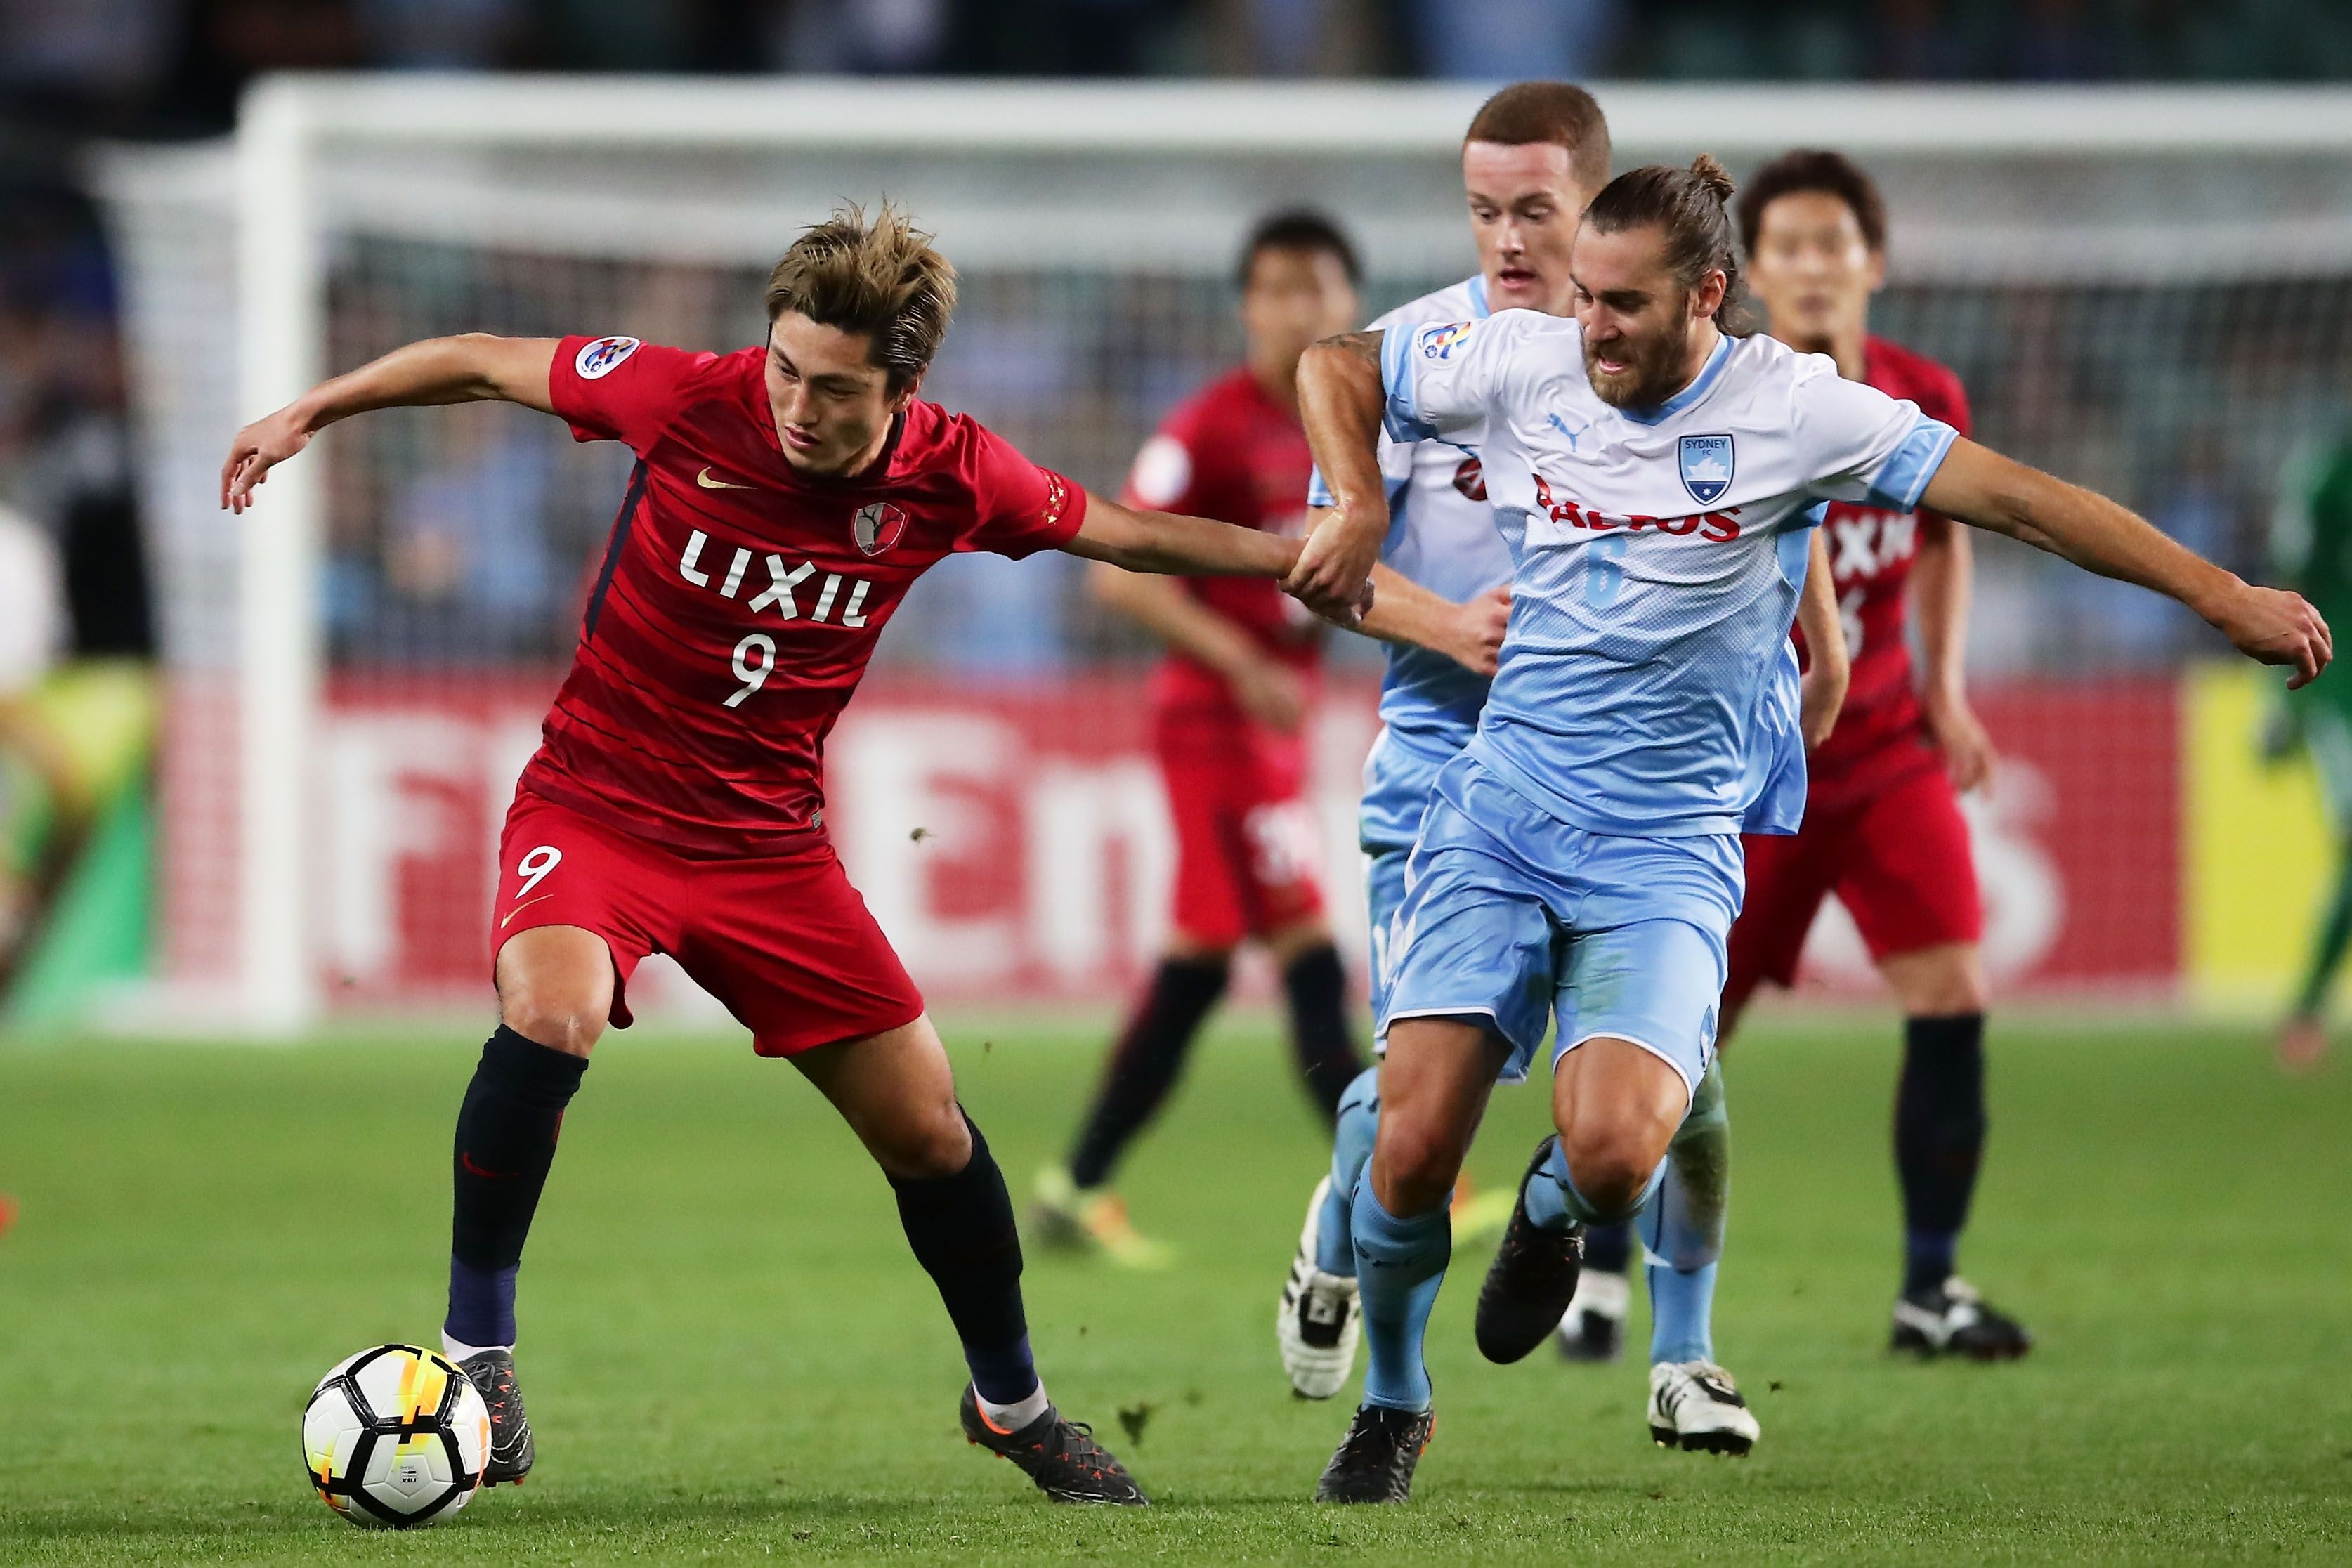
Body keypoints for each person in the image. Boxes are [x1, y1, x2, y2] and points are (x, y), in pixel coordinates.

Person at [217, 203, 1458, 1508]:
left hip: (768, 853)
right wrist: (311, 409)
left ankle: (1013, 1407)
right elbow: (475, 355)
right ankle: (480, 1357)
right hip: (595, 806)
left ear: (903, 389)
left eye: (836, 389)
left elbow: (1125, 533)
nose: (797, 406)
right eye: (786, 368)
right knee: (554, 1009)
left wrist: (1298, 556)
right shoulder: (684, 396)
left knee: (931, 1133)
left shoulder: (953, 470)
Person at [1283, 157, 2327, 1503]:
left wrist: (2216, 591)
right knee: (1410, 1145)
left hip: (1662, 847)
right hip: (1501, 813)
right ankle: (1390, 1400)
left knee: (1608, 1159)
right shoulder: (1522, 357)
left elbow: (2011, 497)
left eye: (1623, 305)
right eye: (1583, 299)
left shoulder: (1796, 408)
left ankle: (1554, 1216)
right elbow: (1333, 363)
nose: (1589, 326)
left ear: (1707, 296)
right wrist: (1358, 497)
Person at [1269, 81, 1764, 1460]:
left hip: (1645, 776)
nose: (1503, 238)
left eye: (1532, 209)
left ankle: (1686, 1356)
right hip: (1446, 767)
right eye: (1482, 209)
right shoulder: (1422, 351)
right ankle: (1361, 1273)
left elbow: (1776, 521)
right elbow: (1330, 569)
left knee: (1681, 1076)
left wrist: (1812, 655)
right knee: (1415, 1103)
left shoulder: (1671, 347)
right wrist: (1449, 621)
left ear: (1593, 204)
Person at [1562, 148, 2027, 1366]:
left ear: (1871, 263)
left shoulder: (1922, 394)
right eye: (1790, 247)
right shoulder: (1730, 396)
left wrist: (1945, 690)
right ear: (1741, 273)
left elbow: (1943, 541)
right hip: (1748, 768)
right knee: (1675, 1028)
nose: (1815, 266)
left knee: (1952, 995)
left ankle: (1929, 1287)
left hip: (1880, 755)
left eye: (1835, 244)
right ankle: (1598, 1273)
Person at [1033, 211, 1391, 1267]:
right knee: (1309, 951)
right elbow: (1114, 573)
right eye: (1278, 290)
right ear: (1248, 306)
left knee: (1196, 968)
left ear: (1349, 305)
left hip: (1270, 728)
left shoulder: (1350, 424)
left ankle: (1076, 1186)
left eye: (1319, 288)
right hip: (1215, 725)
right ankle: (1391, 1187)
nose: (1300, 309)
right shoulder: (1209, 427)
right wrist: (1241, 664)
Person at [2266, 429, 2352, 1071]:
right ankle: (2305, 1008)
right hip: (2341, 688)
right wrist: (2287, 701)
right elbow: (2294, 583)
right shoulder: (2327, 478)